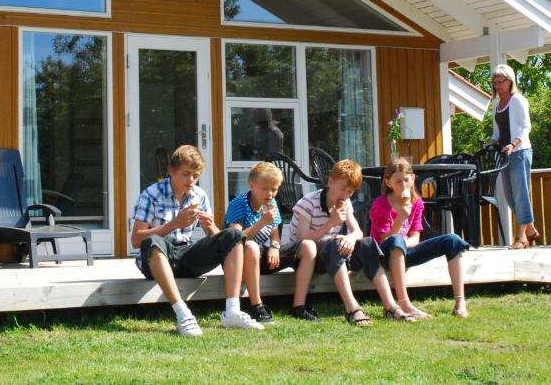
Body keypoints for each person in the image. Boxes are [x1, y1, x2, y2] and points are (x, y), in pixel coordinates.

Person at [131, 144, 264, 336]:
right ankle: (183, 314)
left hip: (185, 254)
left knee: (233, 235)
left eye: (195, 175)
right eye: (185, 174)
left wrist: (211, 228)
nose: (191, 180)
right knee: (152, 241)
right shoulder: (151, 194)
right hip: (156, 259)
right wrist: (175, 223)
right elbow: (136, 240)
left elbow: (219, 240)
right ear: (171, 171)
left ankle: (232, 311)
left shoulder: (199, 195)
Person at [289, 158, 415, 326]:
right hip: (308, 260)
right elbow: (301, 240)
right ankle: (352, 307)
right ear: (330, 182)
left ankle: (390, 306)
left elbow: (357, 232)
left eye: (350, 191)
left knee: (368, 243)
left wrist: (350, 237)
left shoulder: (345, 202)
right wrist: (330, 225)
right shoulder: (308, 202)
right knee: (335, 244)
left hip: (333, 254)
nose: (345, 195)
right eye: (342, 189)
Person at [369, 158, 470, 318]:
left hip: (405, 251)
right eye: (398, 182)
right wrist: (400, 220)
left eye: (406, 180)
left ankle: (460, 302)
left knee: (453, 240)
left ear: (413, 179)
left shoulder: (417, 203)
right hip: (384, 255)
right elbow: (383, 240)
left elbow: (415, 238)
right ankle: (404, 303)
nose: (403, 185)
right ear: (388, 183)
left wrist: (403, 244)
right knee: (396, 240)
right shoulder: (381, 204)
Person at [224, 162, 319, 321]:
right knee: (252, 246)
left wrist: (275, 246)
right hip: (239, 259)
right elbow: (235, 239)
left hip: (263, 255)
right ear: (251, 185)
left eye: (274, 189)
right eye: (265, 188)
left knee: (308, 246)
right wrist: (261, 222)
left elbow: (275, 233)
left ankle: (299, 305)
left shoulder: (271, 203)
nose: (270, 193)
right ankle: (257, 305)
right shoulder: (239, 204)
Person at [485, 63, 540, 249]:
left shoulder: (518, 101)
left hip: (519, 152)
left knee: (520, 195)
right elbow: (496, 132)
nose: (497, 85)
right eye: (495, 82)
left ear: (510, 82)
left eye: (501, 81)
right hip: (504, 155)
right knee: (510, 196)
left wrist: (513, 144)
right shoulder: (496, 104)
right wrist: (491, 142)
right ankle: (531, 230)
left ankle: (521, 238)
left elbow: (526, 127)